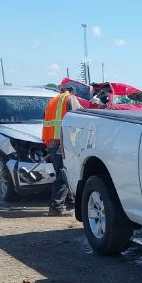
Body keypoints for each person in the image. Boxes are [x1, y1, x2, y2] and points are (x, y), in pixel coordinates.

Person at [42, 84, 81, 215]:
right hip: (63, 144)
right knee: (64, 175)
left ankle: (71, 204)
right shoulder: (70, 98)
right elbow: (79, 117)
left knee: (63, 173)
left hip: (53, 144)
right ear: (72, 91)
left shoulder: (52, 101)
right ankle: (56, 207)